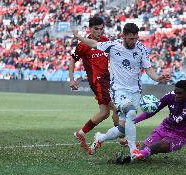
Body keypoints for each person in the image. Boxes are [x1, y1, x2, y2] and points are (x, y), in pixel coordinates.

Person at [73, 23, 170, 159]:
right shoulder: (113, 46)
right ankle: (133, 151)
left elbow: (148, 69)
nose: (134, 41)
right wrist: (79, 37)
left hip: (135, 91)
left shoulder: (141, 48)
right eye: (131, 38)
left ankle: (100, 138)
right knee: (130, 113)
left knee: (123, 128)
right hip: (118, 90)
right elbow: (93, 44)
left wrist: (158, 78)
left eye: (136, 38)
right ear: (123, 36)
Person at [117, 80, 186, 162]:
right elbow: (154, 110)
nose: (176, 95)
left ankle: (139, 154)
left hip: (179, 135)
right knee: (144, 150)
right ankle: (139, 154)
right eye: (175, 92)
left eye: (179, 93)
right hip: (165, 128)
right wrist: (134, 121)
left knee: (159, 145)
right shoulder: (170, 96)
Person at [70, 16, 119, 150]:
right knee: (117, 109)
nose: (99, 32)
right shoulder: (83, 44)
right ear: (90, 29)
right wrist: (72, 79)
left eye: (101, 29)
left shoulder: (105, 41)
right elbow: (73, 60)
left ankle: (80, 133)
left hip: (107, 80)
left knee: (104, 113)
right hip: (96, 81)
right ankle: (122, 137)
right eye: (96, 29)